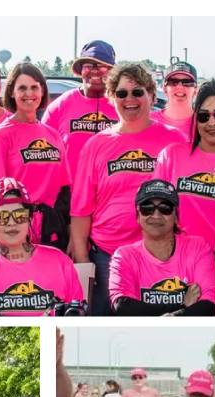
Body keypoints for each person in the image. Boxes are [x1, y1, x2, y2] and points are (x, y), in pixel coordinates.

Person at [70, 64, 188, 315]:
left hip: (160, 258)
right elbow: (81, 210)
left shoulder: (175, 140)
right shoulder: (95, 145)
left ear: (152, 97)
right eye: (122, 93)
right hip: (106, 258)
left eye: (138, 92)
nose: (130, 99)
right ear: (112, 98)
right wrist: (83, 263)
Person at [0, 177, 83, 315]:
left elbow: (77, 316)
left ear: (29, 220)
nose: (12, 223)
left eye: (20, 215)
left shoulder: (60, 261)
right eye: (2, 217)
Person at [152, 79, 215, 251]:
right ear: (195, 119)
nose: (212, 123)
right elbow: (155, 213)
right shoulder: (171, 156)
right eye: (204, 116)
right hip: (177, 262)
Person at [0, 63, 72, 251]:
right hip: (16, 227)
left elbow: (65, 189)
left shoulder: (53, 135)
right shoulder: (2, 134)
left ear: (42, 91)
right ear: (12, 93)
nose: (29, 93)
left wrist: (71, 232)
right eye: (22, 88)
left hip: (52, 229)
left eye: (34, 87)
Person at [108, 179, 215, 316]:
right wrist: (181, 307)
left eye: (165, 208)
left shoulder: (198, 247)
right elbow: (122, 306)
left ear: (176, 216)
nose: (156, 215)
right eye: (147, 208)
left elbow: (207, 307)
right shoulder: (124, 256)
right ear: (137, 216)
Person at [42, 40, 119, 183]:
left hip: (111, 197)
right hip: (70, 198)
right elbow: (43, 158)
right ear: (81, 70)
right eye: (89, 66)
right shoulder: (59, 106)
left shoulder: (123, 104)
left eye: (102, 66)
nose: (95, 70)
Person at [151, 61, 199, 135]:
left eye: (187, 82)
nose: (180, 87)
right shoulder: (148, 122)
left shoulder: (204, 123)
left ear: (195, 91)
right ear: (165, 89)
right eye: (173, 82)